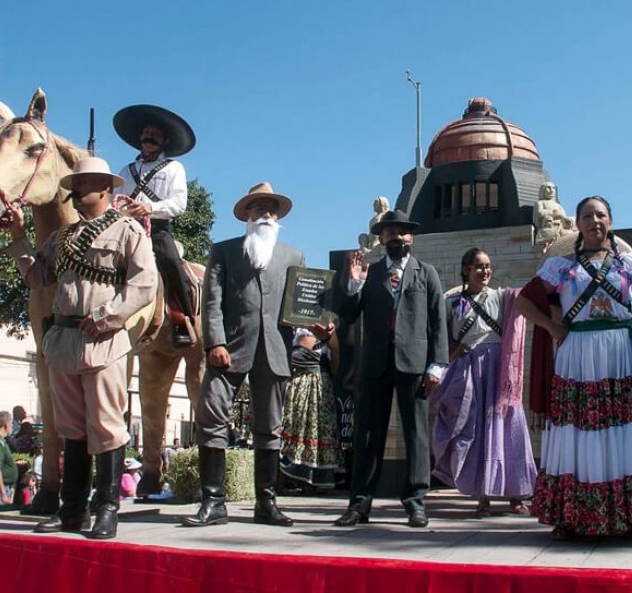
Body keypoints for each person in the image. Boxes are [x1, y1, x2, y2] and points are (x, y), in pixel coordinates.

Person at [5, 156, 157, 538]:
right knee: (72, 428)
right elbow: (38, 277)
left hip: (102, 339)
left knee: (106, 426)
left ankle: (106, 507)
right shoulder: (62, 238)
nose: (76, 191)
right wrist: (19, 237)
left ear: (105, 188)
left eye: (85, 183)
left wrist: (109, 316)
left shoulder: (127, 231)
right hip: (64, 340)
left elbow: (143, 284)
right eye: (75, 184)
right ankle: (72, 509)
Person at [515, 196, 632, 541]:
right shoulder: (560, 267)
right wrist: (552, 327)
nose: (594, 221)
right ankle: (571, 517)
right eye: (587, 216)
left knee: (628, 430)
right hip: (578, 354)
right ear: (578, 224)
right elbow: (523, 301)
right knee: (577, 430)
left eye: (600, 215)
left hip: (622, 353)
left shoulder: (627, 265)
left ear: (611, 222)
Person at [183, 182, 304, 528]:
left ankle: (266, 503)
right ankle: (213, 501)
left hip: (275, 349)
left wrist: (318, 325)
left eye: (271, 208)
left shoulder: (293, 257)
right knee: (212, 419)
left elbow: (302, 307)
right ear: (246, 215)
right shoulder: (224, 251)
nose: (265, 213)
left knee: (271, 427)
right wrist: (214, 343)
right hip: (230, 347)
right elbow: (211, 302)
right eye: (258, 208)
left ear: (278, 216)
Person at [334, 209, 448, 528]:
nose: (397, 237)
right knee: (368, 436)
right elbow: (348, 314)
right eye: (390, 232)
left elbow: (438, 323)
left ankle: (415, 502)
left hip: (414, 364)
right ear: (381, 237)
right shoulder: (368, 274)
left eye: (402, 232)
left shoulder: (426, 273)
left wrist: (437, 365)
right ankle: (359, 504)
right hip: (374, 364)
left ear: (411, 237)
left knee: (416, 434)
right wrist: (354, 285)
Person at [432, 248, 537, 517]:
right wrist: (454, 351)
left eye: (488, 266)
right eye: (479, 266)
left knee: (508, 426)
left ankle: (517, 494)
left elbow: (527, 297)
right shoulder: (452, 302)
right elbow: (441, 336)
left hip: (500, 368)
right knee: (476, 428)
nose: (485, 271)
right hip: (470, 369)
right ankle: (484, 496)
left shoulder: (502, 297)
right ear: (466, 269)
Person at [113, 104, 196, 347]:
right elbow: (111, 202)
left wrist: (150, 208)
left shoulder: (174, 168)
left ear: (165, 140)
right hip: (125, 230)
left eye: (155, 134)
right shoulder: (125, 171)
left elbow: (179, 203)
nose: (149, 137)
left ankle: (183, 318)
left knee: (171, 262)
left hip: (156, 230)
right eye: (146, 133)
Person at [279, 325, 344, 488]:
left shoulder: (332, 317)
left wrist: (328, 336)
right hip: (294, 375)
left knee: (315, 427)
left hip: (317, 377)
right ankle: (285, 478)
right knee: (290, 425)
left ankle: (314, 480)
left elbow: (337, 356)